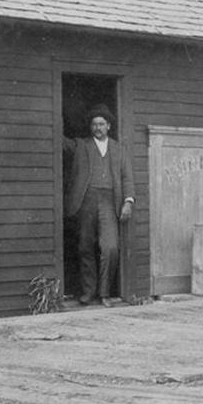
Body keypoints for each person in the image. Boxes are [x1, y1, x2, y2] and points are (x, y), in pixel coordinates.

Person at [63, 104, 134, 306]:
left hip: (110, 202)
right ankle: (88, 292)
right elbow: (61, 142)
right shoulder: (80, 145)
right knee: (85, 247)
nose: (98, 128)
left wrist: (128, 201)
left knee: (110, 247)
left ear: (109, 126)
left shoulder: (119, 149)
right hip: (86, 200)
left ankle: (104, 293)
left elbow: (127, 177)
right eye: (94, 124)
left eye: (101, 124)